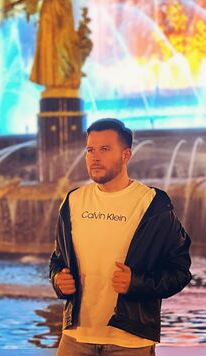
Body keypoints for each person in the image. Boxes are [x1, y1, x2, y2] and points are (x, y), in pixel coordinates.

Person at [49, 118, 192, 355]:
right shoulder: (72, 201)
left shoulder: (153, 205)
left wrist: (136, 283)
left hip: (130, 342)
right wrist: (58, 279)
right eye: (90, 150)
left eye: (105, 149)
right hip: (75, 339)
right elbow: (57, 260)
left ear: (126, 155)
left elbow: (180, 272)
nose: (95, 157)